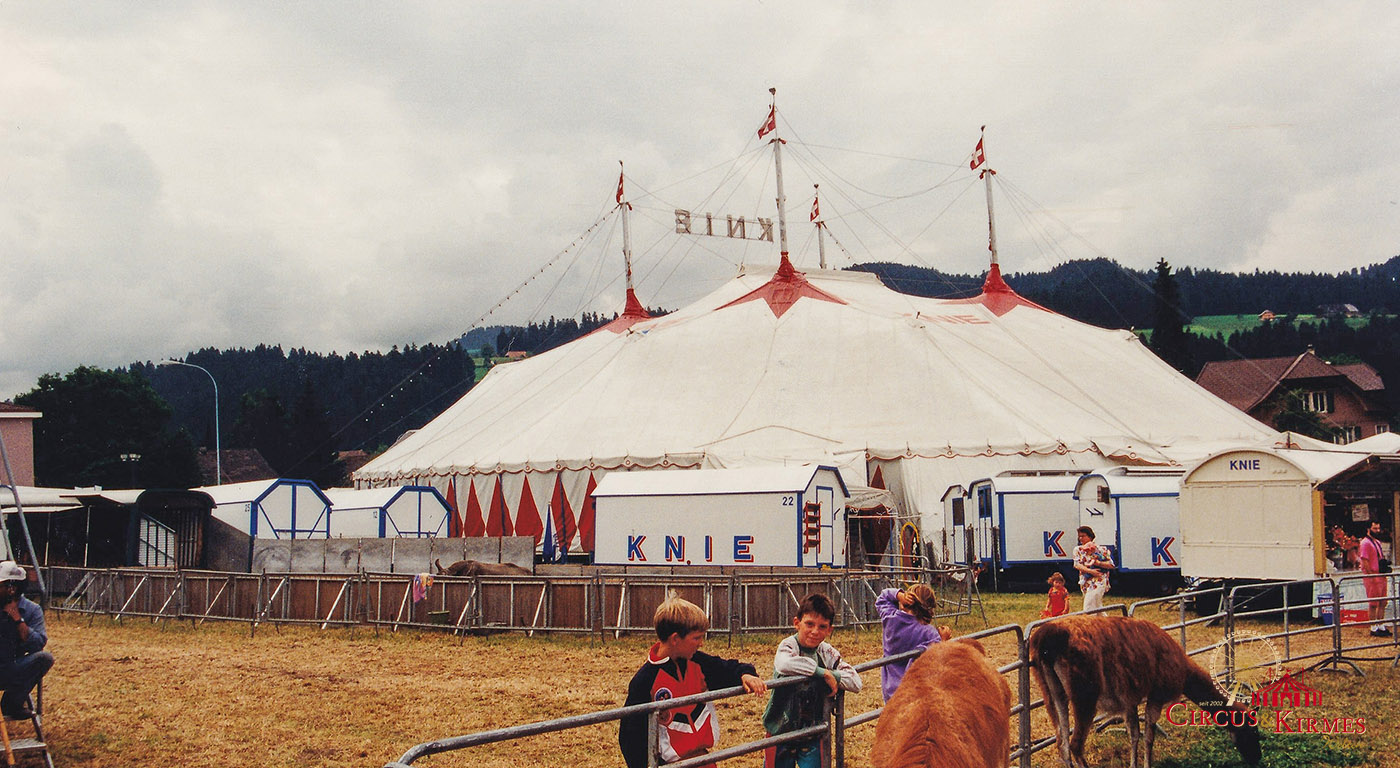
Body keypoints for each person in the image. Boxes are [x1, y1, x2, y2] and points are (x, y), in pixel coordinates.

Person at [618, 595, 767, 768]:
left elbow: (725, 668)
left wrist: (745, 674)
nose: (701, 644)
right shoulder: (644, 680)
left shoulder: (697, 662)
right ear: (675, 639)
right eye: (696, 638)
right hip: (671, 764)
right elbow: (630, 737)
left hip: (703, 760)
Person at [762, 593, 862, 768]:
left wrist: (836, 676)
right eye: (809, 624)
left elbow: (855, 681)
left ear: (830, 630)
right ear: (796, 623)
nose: (815, 631)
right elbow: (785, 664)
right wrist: (822, 673)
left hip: (812, 734)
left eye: (822, 626)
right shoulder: (788, 646)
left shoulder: (826, 652)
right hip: (780, 730)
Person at [875, 584, 951, 701]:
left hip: (890, 689)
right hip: (914, 691)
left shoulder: (890, 619)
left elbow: (882, 598)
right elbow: (936, 654)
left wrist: (898, 594)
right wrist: (943, 641)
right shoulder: (928, 632)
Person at [0, 561, 51, 720]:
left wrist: (18, 620)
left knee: (44, 658)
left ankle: (11, 704)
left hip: (12, 668)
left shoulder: (32, 610)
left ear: (12, 588)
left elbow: (38, 644)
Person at [1358, 520, 1391, 637]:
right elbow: (1365, 560)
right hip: (1372, 575)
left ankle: (1381, 624)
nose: (1377, 531)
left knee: (1383, 601)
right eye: (1375, 529)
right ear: (1369, 529)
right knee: (1373, 603)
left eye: (1378, 528)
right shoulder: (1365, 543)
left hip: (1380, 574)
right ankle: (1373, 626)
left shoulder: (1377, 542)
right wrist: (1371, 575)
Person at [1073, 526, 1115, 613]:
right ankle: (1107, 625)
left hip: (1098, 581)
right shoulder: (1078, 549)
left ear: (1090, 536)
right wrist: (1090, 571)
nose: (1081, 538)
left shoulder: (1101, 549)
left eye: (1083, 536)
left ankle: (1089, 625)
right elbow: (1077, 564)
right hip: (1085, 581)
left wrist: (1098, 563)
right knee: (1097, 608)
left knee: (1089, 607)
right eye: (1079, 536)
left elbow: (1111, 565)